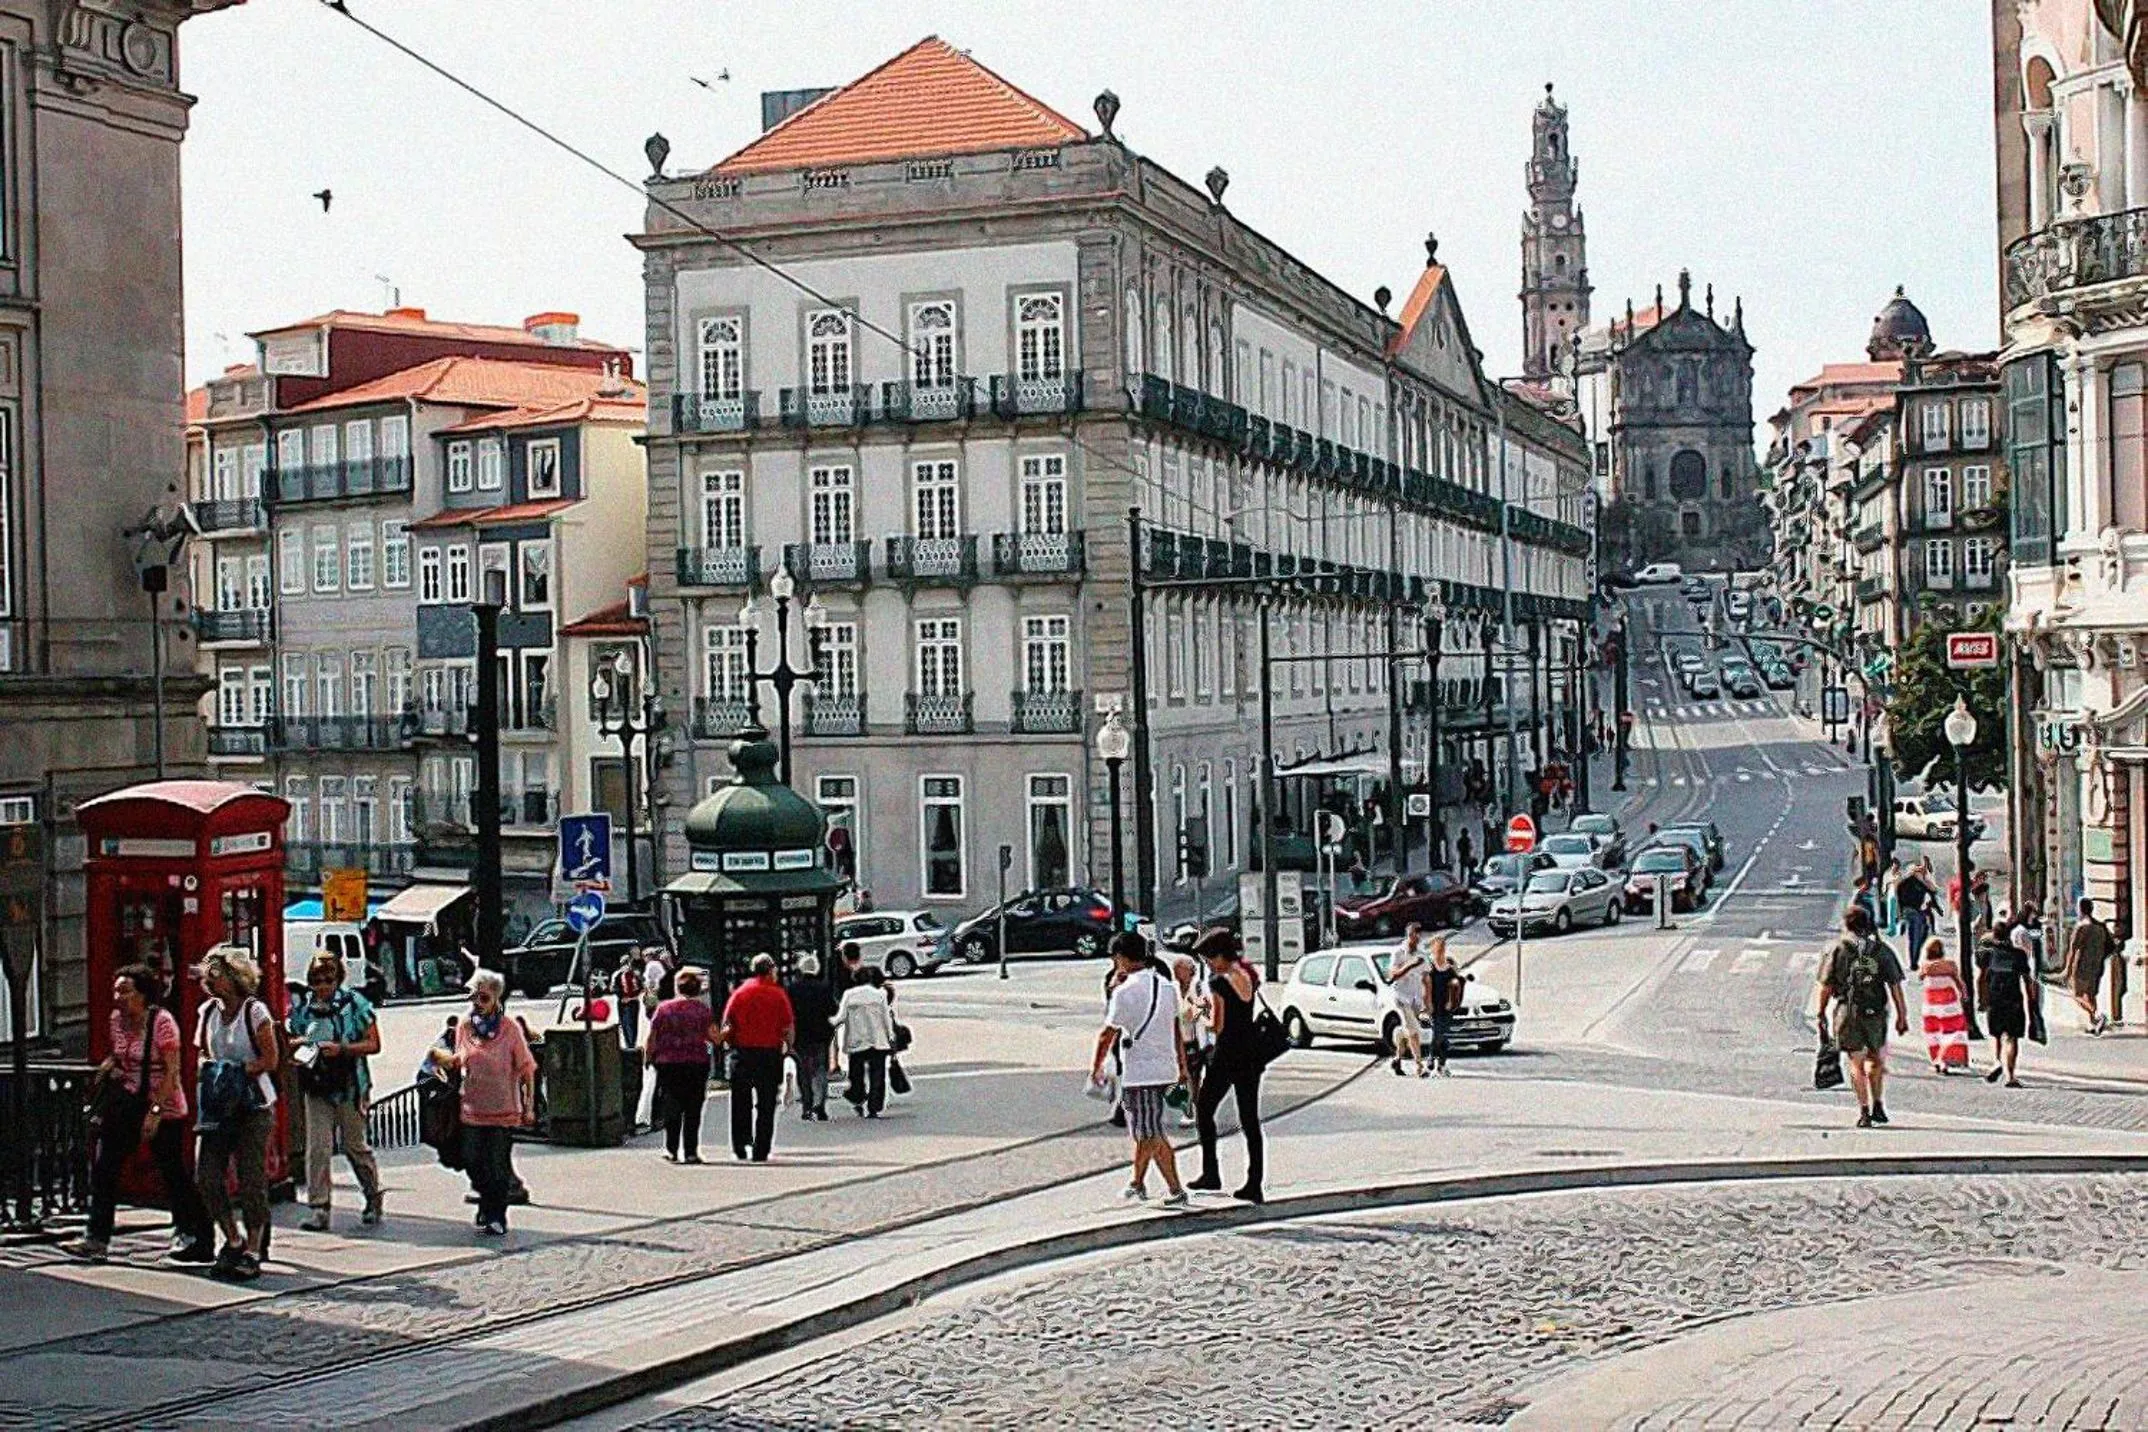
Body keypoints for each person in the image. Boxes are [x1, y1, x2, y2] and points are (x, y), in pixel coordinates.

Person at [62, 963, 212, 1264]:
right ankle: (96, 1238)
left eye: (125, 991)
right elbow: (119, 1057)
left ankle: (195, 1233)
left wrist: (155, 1112)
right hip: (128, 1101)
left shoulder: (162, 1022)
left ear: (143, 994)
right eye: (116, 990)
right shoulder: (116, 1020)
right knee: (105, 1167)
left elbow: (172, 1072)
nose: (118, 996)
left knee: (172, 1173)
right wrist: (108, 1070)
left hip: (164, 1104)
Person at [193, 946, 279, 1280]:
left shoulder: (255, 1012)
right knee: (207, 1176)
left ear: (235, 977)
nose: (209, 981)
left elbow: (270, 1060)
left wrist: (239, 1071)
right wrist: (211, 1068)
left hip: (253, 1104)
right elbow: (202, 1052)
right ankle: (232, 1237)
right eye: (207, 974)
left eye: (216, 974)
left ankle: (254, 1248)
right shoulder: (207, 1012)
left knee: (251, 1179)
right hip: (218, 1106)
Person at [429, 970, 537, 1235]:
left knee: (498, 1166)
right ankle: (487, 1202)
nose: (478, 1002)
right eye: (474, 996)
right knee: (472, 1160)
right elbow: (459, 1060)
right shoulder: (465, 1026)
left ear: (496, 999)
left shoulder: (510, 1029)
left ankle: (495, 1214)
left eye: (484, 997)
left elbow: (526, 1069)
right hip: (471, 1109)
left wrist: (529, 1105)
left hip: (503, 1111)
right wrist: (438, 1059)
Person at [287, 950, 385, 1232]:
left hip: (349, 1084)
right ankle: (319, 1207)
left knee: (355, 1147)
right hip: (316, 1083)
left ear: (338, 978)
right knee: (317, 1147)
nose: (323, 986)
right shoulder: (305, 1007)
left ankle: (372, 1194)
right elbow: (293, 1037)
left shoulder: (354, 1003)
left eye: (328, 979)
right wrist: (301, 1046)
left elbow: (373, 1043)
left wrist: (341, 1049)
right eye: (317, 980)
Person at [1090, 933, 1189, 1208]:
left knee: (1148, 1133)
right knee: (1147, 1130)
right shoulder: (1167, 987)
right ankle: (1138, 1183)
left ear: (1120, 958)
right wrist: (1182, 1066)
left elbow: (1106, 1034)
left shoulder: (1125, 991)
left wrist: (1096, 1068)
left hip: (1140, 1072)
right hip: (1165, 1066)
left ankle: (1175, 1190)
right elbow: (1175, 1029)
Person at [1189, 928, 1266, 1204]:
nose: (1209, 965)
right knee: (1249, 1120)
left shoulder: (1220, 983)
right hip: (1251, 1055)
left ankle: (1211, 1172)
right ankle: (1254, 1182)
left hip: (1226, 1055)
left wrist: (1199, 1011)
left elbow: (1215, 1024)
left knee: (1205, 1109)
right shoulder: (1246, 976)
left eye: (1209, 960)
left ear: (1219, 956)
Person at [1814, 905, 1907, 1129]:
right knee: (1875, 1060)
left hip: (1848, 1011)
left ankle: (1863, 1110)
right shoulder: (1881, 950)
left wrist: (1821, 1013)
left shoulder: (1838, 949)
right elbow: (1895, 986)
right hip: (1875, 1011)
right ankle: (1878, 1104)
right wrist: (1902, 1015)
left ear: (1846, 924)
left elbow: (1825, 986)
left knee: (1856, 1062)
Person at [718, 953, 794, 1160]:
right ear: (770, 970)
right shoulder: (777, 994)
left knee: (740, 1102)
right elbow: (788, 1027)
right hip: (769, 1054)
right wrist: (788, 1047)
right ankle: (761, 1149)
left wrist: (728, 1044)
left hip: (742, 1053)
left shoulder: (740, 993)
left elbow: (727, 1024)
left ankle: (740, 1145)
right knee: (766, 1103)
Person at [645, 966, 719, 1162]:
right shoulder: (703, 1010)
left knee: (672, 1105)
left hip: (668, 1063)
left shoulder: (664, 1009)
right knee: (693, 1108)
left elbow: (652, 1037)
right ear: (697, 990)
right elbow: (715, 1037)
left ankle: (671, 1148)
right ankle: (691, 1151)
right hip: (696, 1063)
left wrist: (648, 1057)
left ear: (678, 987)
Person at [1980, 915, 2039, 1088]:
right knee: (2012, 1037)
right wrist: (2032, 1001)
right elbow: (2028, 981)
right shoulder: (2019, 955)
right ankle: (2010, 1076)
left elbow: (1982, 978)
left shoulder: (1988, 954)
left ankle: (1997, 1061)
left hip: (1995, 997)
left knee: (1996, 1035)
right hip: (2013, 998)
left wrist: (1982, 998)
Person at [835, 965, 897, 1118]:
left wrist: (828, 1023)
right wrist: (891, 1037)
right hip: (878, 1040)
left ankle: (858, 1096)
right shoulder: (880, 995)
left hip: (857, 1040)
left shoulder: (850, 995)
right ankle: (874, 1106)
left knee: (856, 1073)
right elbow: (886, 1019)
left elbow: (840, 1017)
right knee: (878, 1074)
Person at [785, 953, 837, 1121]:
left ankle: (807, 1105)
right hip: (821, 1034)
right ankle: (820, 1104)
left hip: (800, 1034)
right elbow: (833, 1010)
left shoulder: (792, 988)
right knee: (820, 1068)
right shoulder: (824, 987)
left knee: (803, 1070)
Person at [1917, 936, 1971, 1075]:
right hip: (1949, 1005)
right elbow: (1959, 982)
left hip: (1931, 1006)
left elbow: (1920, 977)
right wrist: (1964, 995)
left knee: (1934, 1034)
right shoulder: (1950, 965)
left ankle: (1937, 1059)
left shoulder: (1926, 966)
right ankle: (1945, 1059)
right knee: (1953, 1033)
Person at [1384, 924, 1430, 1078]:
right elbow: (1392, 975)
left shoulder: (1422, 954)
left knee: (1407, 1031)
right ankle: (1419, 1066)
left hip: (1416, 997)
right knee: (1414, 1030)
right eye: (1412, 935)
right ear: (1408, 935)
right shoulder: (1398, 953)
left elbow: (1426, 978)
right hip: (1401, 996)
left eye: (1418, 935)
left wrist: (1428, 1002)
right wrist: (1410, 965)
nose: (1415, 938)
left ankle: (1397, 1058)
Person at [2065, 898, 2115, 1036]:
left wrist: (2067, 969)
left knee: (2076, 994)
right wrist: (2099, 957)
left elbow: (2072, 950)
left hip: (2080, 966)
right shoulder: (2100, 926)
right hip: (2096, 966)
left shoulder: (2081, 928)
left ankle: (2097, 1015)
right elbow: (2110, 947)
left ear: (2080, 910)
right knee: (2090, 994)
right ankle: (2094, 1024)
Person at [1171, 954, 1211, 1129]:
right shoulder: (1173, 989)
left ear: (1190, 971)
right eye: (1175, 970)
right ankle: (1194, 1111)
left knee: (1192, 1078)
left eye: (1179, 969)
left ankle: (1191, 1112)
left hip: (1196, 1041)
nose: (1176, 973)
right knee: (1186, 1077)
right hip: (1179, 1041)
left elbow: (1205, 1006)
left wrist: (1188, 1013)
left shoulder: (1199, 987)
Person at [1425, 935, 1464, 1076]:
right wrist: (1427, 1004)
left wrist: (1452, 999)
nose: (1440, 951)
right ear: (1433, 950)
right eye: (1437, 949)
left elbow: (1457, 983)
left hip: (1447, 1005)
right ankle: (1432, 1058)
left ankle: (1440, 1063)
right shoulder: (1430, 968)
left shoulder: (1449, 967)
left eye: (1442, 948)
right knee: (1438, 1033)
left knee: (1443, 1035)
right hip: (1435, 1004)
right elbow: (1426, 987)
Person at [1895, 860, 1935, 972]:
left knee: (1925, 932)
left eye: (1921, 871)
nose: (1920, 872)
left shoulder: (1922, 883)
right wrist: (1899, 914)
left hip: (1918, 910)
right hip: (1909, 910)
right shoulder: (1905, 882)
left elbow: (1933, 890)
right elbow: (1898, 899)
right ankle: (1913, 962)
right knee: (1915, 934)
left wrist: (1925, 878)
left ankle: (1915, 957)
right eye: (1918, 870)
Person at [611, 954, 645, 1049]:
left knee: (632, 1024)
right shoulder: (619, 975)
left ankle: (631, 1044)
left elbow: (641, 987)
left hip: (632, 1002)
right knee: (626, 1024)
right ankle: (629, 1044)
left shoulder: (634, 974)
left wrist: (632, 997)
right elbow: (614, 988)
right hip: (623, 1002)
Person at [1880, 857, 1903, 936]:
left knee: (1896, 913)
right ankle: (1891, 929)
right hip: (1889, 894)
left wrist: (1893, 882)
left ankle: (1896, 930)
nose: (1895, 867)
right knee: (1890, 912)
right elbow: (1885, 884)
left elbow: (1899, 883)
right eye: (1894, 865)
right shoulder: (1887, 873)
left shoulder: (1899, 874)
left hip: (1896, 894)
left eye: (1897, 866)